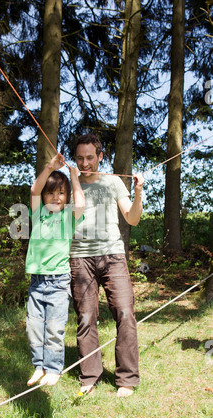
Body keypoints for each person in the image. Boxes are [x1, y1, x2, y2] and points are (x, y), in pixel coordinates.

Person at [69, 133, 144, 397]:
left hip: (112, 255)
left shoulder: (113, 182)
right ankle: (89, 375)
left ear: (100, 156)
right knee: (86, 316)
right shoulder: (69, 183)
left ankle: (126, 379)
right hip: (79, 258)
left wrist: (137, 193)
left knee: (124, 312)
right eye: (80, 158)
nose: (85, 163)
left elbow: (132, 218)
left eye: (90, 157)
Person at [25, 153, 85, 387]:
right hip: (37, 281)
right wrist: (50, 167)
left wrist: (74, 177)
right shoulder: (38, 212)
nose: (55, 197)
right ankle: (39, 366)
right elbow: (34, 190)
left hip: (59, 281)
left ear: (67, 196)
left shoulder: (69, 216)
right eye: (51, 192)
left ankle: (53, 369)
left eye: (61, 193)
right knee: (34, 327)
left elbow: (81, 203)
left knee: (54, 328)